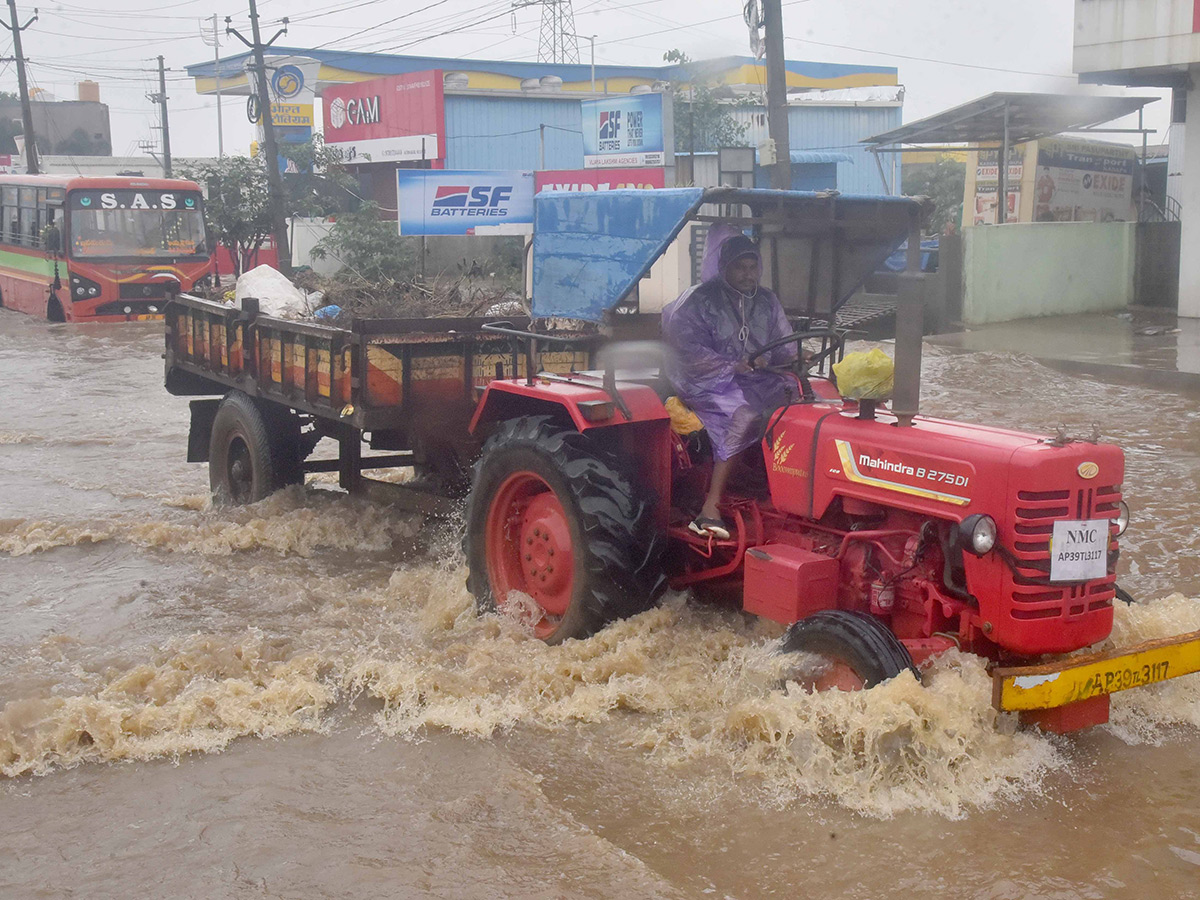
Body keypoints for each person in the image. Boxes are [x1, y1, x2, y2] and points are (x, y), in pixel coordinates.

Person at [662, 228, 798, 539]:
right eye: (740, 267)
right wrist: (730, 365)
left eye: (753, 268)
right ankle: (709, 508)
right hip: (705, 381)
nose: (749, 275)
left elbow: (784, 344)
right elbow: (686, 350)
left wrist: (791, 355)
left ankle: (782, 489)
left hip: (755, 378)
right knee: (743, 415)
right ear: (724, 267)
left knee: (802, 401)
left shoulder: (765, 300)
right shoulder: (698, 301)